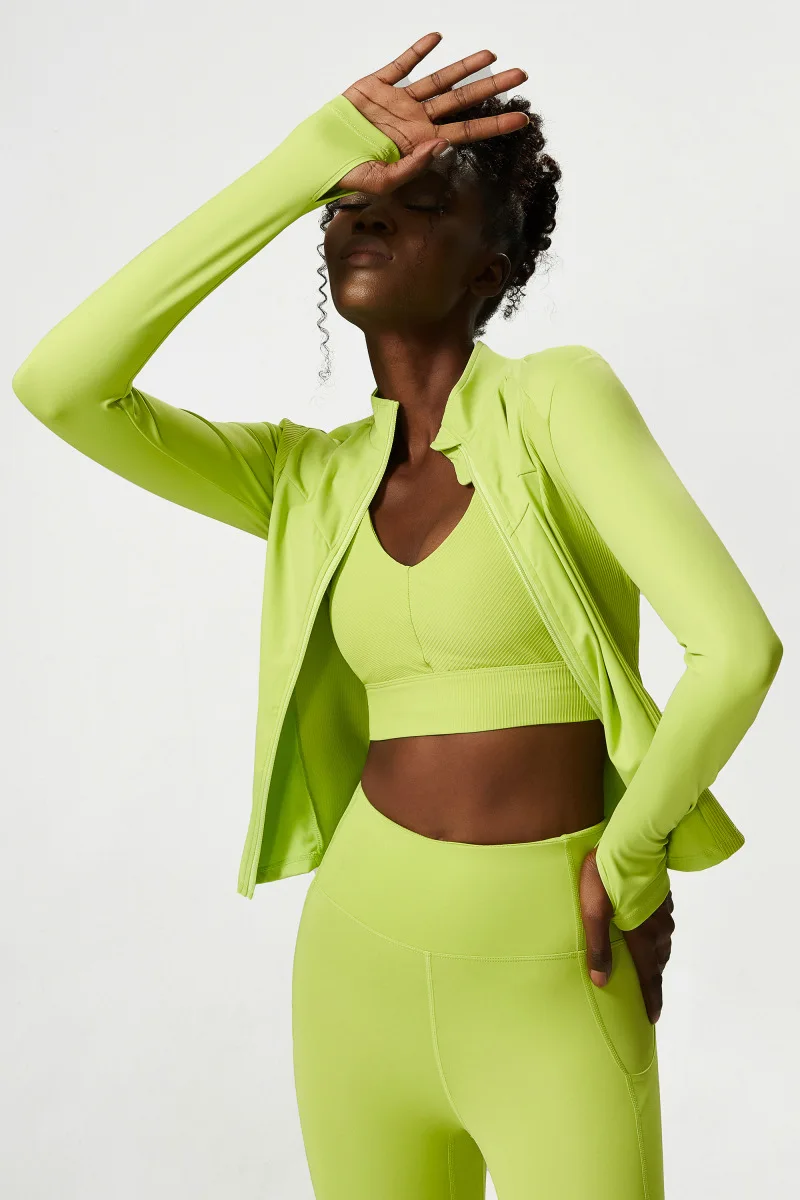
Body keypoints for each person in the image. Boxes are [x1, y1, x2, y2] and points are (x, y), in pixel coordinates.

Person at [12, 30, 783, 1200]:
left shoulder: (552, 401)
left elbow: (734, 650)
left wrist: (628, 865)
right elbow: (60, 384)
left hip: (550, 972)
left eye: (417, 202)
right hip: (353, 966)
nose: (364, 217)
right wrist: (302, 161)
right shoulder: (307, 479)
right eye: (345, 206)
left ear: (489, 265)